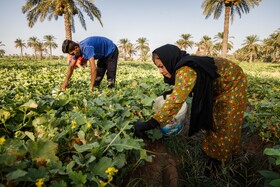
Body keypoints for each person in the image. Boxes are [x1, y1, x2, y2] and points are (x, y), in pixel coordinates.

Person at [133, 44, 247, 164]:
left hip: (233, 83)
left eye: (161, 66)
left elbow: (175, 102)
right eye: (158, 67)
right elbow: (189, 84)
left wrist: (150, 124)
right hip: (218, 86)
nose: (161, 71)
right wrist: (174, 91)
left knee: (225, 122)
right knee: (213, 117)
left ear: (169, 60)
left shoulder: (185, 70)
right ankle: (216, 151)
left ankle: (220, 161)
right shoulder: (183, 65)